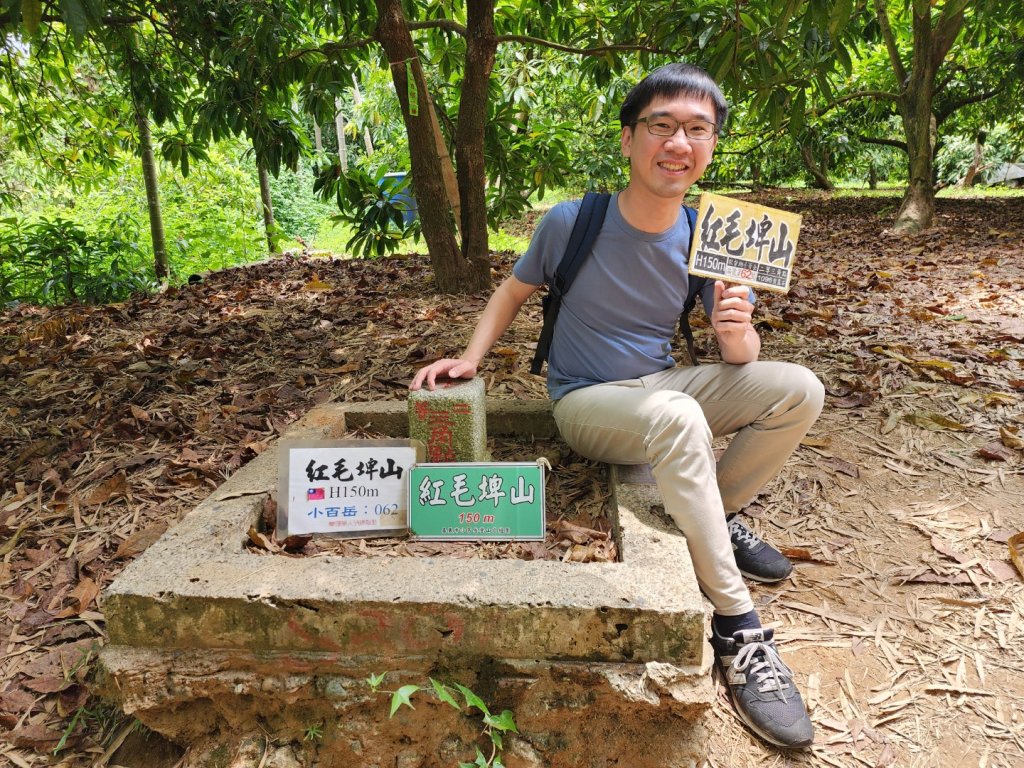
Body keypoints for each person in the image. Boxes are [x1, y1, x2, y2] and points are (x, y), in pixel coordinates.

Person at [411, 63, 824, 749]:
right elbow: (513, 293)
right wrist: (471, 357)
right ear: (629, 140)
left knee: (800, 389)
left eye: (697, 130)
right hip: (590, 403)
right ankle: (738, 626)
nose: (678, 142)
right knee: (679, 418)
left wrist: (736, 331)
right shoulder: (575, 221)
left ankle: (714, 518)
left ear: (712, 146)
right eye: (661, 126)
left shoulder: (704, 235)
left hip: (665, 390)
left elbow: (740, 359)